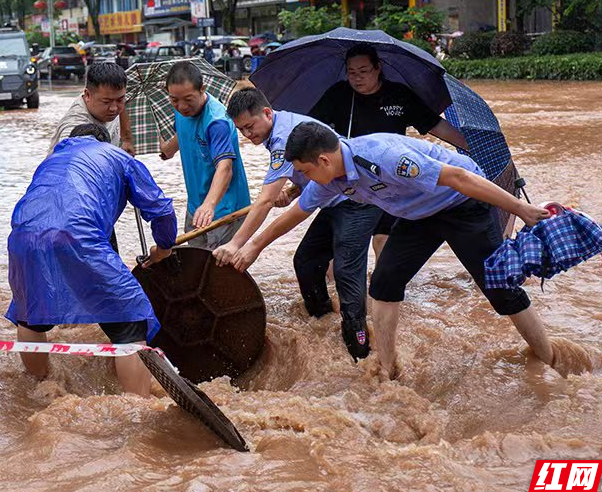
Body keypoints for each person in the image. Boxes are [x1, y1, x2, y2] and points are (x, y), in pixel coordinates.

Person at [230, 122, 556, 380]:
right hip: (418, 216)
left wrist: (520, 209)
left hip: (461, 205)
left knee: (500, 290)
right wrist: (252, 248)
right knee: (384, 284)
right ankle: (388, 369)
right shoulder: (328, 179)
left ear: (324, 160)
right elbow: (295, 214)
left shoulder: (385, 157)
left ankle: (550, 359)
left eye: (305, 171)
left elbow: (459, 177)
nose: (302, 179)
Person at [5, 123, 177, 396]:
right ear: (105, 142)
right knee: (131, 318)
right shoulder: (118, 157)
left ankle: (41, 387)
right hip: (78, 234)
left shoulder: (50, 161)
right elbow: (161, 210)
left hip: (22, 238)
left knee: (30, 315)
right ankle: (139, 409)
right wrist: (164, 247)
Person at [214, 89, 376, 361]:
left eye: (250, 127)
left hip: (356, 199)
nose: (247, 135)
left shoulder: (281, 139)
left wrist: (236, 244)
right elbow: (311, 168)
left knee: (346, 270)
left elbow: (264, 202)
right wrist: (295, 187)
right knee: (306, 261)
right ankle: (323, 323)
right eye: (241, 130)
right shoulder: (281, 124)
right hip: (331, 199)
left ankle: (361, 349)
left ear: (267, 113)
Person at [309, 44, 468, 260]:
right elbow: (310, 129)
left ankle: (384, 288)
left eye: (363, 72)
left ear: (378, 68)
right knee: (339, 246)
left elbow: (434, 125)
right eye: (352, 73)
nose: (357, 78)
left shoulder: (399, 95)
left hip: (391, 179)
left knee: (382, 238)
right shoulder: (338, 94)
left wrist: (470, 145)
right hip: (350, 179)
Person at [158, 61, 250, 249]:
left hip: (225, 209)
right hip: (196, 206)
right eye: (174, 100)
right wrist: (168, 149)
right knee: (195, 264)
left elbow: (225, 168)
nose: (181, 106)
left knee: (220, 272)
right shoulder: (181, 111)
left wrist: (209, 204)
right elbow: (185, 133)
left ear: (202, 89)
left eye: (188, 99)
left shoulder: (217, 122)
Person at [47, 62, 135, 156]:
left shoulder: (110, 105)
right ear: (87, 95)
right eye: (106, 102)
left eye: (120, 99)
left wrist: (127, 139)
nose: (114, 109)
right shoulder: (74, 125)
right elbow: (68, 157)